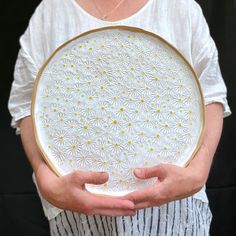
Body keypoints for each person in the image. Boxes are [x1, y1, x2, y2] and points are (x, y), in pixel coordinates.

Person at [8, 0, 231, 235]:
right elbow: (26, 103)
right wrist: (46, 180)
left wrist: (198, 171)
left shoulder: (180, 7)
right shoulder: (51, 12)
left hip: (174, 210)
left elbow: (211, 94)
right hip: (80, 215)